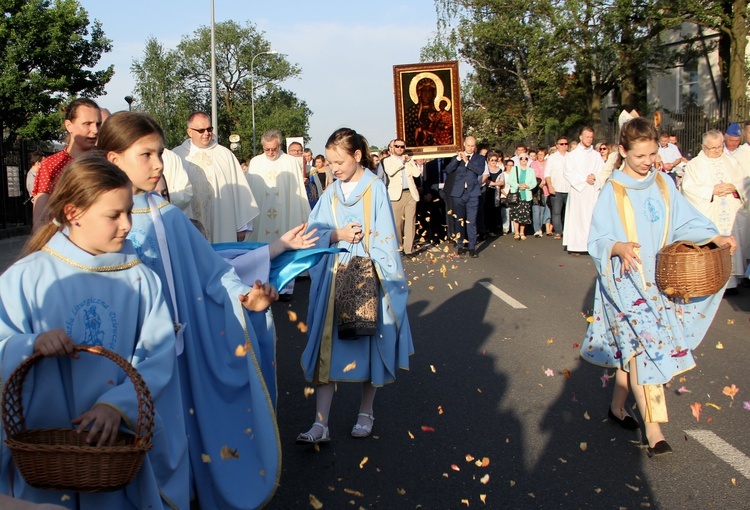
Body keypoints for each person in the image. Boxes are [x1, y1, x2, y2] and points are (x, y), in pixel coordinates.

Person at [98, 111, 319, 509]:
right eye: (146, 155)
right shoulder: (96, 221)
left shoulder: (166, 217)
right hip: (121, 361)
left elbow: (214, 272)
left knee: (176, 439)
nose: (159, 165)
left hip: (175, 352)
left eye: (160, 154)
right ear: (114, 160)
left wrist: (246, 299)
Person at [0, 155, 189, 508]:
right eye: (113, 215)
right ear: (74, 213)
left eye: (129, 212)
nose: (127, 225)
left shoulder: (142, 280)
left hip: (117, 449)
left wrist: (117, 406)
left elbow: (157, 355)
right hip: (44, 451)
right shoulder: (27, 277)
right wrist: (31, 344)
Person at [581, 117, 736, 456]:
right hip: (626, 281)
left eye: (652, 154)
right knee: (646, 348)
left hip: (660, 280)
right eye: (640, 156)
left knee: (634, 352)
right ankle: (655, 431)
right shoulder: (614, 189)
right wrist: (617, 247)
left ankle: (617, 407)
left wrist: (715, 236)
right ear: (623, 152)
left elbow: (686, 221)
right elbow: (598, 239)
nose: (648, 162)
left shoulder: (664, 183)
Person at [297, 128, 414, 445]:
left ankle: (366, 412)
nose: (333, 168)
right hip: (334, 277)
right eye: (331, 162)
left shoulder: (374, 188)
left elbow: (386, 237)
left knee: (368, 344)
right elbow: (313, 232)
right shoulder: (332, 193)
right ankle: (321, 423)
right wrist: (337, 235)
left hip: (366, 277)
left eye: (339, 161)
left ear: (357, 155)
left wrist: (387, 283)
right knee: (326, 349)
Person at [172, 111, 259, 243]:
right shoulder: (177, 155)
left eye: (209, 129)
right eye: (201, 130)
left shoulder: (224, 154)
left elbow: (239, 190)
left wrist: (242, 226)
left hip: (221, 223)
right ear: (190, 132)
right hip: (188, 223)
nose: (207, 133)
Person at [247, 131, 312, 300]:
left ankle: (284, 289)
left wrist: (302, 214)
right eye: (267, 149)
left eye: (274, 149)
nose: (270, 153)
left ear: (280, 146)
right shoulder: (255, 163)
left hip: (285, 213)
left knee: (285, 247)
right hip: (261, 215)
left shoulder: (290, 162)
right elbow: (250, 193)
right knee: (262, 249)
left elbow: (297, 192)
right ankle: (261, 287)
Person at [681, 130, 749, 292]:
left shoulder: (731, 161)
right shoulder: (695, 165)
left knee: (732, 242)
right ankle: (713, 281)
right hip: (710, 211)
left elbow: (745, 182)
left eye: (720, 147)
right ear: (704, 147)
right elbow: (688, 188)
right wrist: (712, 190)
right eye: (713, 148)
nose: (717, 150)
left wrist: (734, 187)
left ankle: (731, 283)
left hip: (730, 212)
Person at [32, 98, 101, 231]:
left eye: (98, 124)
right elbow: (40, 218)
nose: (95, 130)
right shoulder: (52, 165)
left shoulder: (107, 161)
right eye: (87, 123)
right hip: (63, 241)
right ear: (69, 126)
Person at [563, 127, 604, 254]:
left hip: (592, 191)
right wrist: (584, 179)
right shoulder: (573, 155)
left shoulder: (597, 155)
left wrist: (595, 178)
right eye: (587, 137)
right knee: (578, 218)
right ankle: (577, 245)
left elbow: (602, 170)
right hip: (579, 191)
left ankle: (592, 244)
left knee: (592, 217)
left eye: (591, 137)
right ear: (580, 137)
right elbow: (568, 172)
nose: (589, 139)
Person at [444, 135, 486, 257]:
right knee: (459, 220)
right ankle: (460, 244)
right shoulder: (456, 158)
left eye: (473, 146)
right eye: (468, 146)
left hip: (472, 193)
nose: (470, 148)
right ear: (464, 145)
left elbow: (479, 171)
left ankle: (472, 247)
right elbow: (448, 169)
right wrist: (458, 159)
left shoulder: (479, 158)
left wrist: (467, 162)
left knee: (471, 221)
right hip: (458, 193)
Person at [382, 138, 421, 258]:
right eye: (397, 146)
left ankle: (408, 249)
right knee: (397, 224)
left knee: (410, 222)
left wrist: (410, 162)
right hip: (396, 196)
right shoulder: (387, 161)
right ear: (392, 148)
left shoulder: (408, 160)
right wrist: (401, 163)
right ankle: (399, 246)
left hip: (410, 194)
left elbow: (417, 174)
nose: (400, 149)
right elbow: (390, 172)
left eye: (402, 147)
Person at [507, 153, 537, 240]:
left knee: (524, 215)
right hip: (516, 194)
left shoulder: (531, 170)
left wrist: (528, 186)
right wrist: (518, 185)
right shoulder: (514, 169)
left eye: (525, 159)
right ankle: (516, 232)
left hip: (526, 194)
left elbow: (534, 182)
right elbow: (510, 180)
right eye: (521, 158)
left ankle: (522, 232)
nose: (523, 160)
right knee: (516, 214)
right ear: (519, 160)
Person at [545, 136, 570, 240]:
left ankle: (568, 231)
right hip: (557, 188)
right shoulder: (552, 158)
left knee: (568, 212)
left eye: (566, 144)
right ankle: (558, 231)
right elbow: (547, 173)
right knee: (556, 212)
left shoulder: (571, 156)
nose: (564, 146)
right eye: (561, 144)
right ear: (557, 146)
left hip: (570, 188)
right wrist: (550, 186)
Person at [530, 147, 552, 237]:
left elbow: (550, 174)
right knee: (536, 210)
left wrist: (545, 182)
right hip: (536, 190)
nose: (540, 156)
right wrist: (538, 182)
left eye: (542, 154)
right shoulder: (533, 164)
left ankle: (544, 227)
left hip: (546, 190)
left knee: (544, 209)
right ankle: (537, 229)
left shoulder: (548, 164)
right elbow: (532, 175)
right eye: (538, 154)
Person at [484, 151, 505, 237]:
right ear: (488, 160)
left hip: (495, 192)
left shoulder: (500, 170)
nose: (493, 162)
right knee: (486, 211)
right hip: (486, 192)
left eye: (495, 160)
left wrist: (493, 184)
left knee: (494, 211)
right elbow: (485, 181)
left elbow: (501, 182)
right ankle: (485, 230)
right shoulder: (485, 170)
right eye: (492, 160)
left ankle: (493, 229)